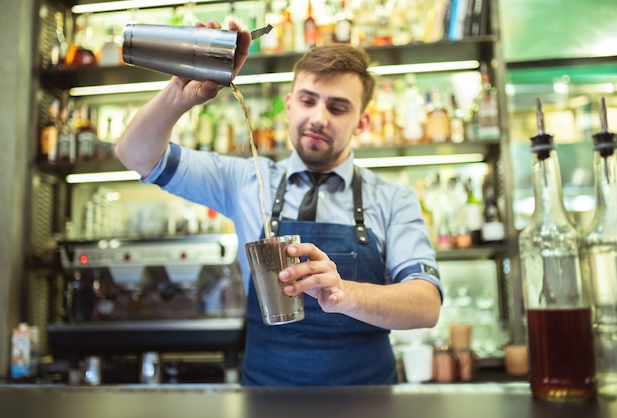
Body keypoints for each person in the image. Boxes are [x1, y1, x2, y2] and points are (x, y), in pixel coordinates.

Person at [116, 20, 442, 386]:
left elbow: (426, 305)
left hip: (368, 401)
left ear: (362, 123)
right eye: (307, 100)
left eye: (337, 108)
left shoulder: (392, 198)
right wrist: (182, 92)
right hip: (266, 397)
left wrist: (342, 294)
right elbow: (135, 155)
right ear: (289, 105)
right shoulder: (245, 179)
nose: (317, 118)